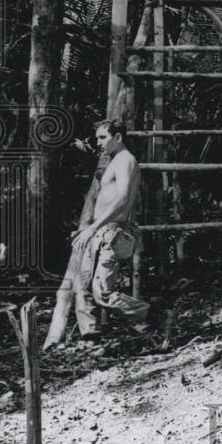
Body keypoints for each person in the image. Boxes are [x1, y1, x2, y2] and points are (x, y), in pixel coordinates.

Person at [71, 119, 150, 342]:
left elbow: (123, 198)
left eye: (103, 137)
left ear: (118, 137)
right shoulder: (115, 160)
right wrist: (89, 229)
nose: (98, 143)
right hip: (98, 231)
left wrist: (94, 227)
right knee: (83, 285)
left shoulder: (126, 160)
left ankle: (147, 314)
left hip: (113, 231)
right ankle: (91, 337)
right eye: (97, 138)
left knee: (101, 291)